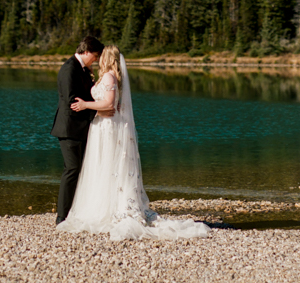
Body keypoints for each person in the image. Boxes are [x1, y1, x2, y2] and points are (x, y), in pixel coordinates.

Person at [57, 44, 209, 241]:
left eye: (101, 57)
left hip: (107, 127)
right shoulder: (107, 76)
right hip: (101, 126)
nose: (97, 59)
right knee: (102, 167)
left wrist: (86, 104)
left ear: (108, 58)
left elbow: (110, 104)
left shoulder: (110, 76)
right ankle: (99, 205)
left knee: (108, 166)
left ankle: (109, 209)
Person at [51, 35, 106, 225]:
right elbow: (72, 101)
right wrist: (96, 112)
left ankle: (74, 211)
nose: (97, 60)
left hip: (80, 127)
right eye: (96, 56)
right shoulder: (69, 69)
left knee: (80, 169)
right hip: (69, 128)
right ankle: (61, 217)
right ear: (87, 51)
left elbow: (86, 95)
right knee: (72, 169)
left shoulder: (82, 69)